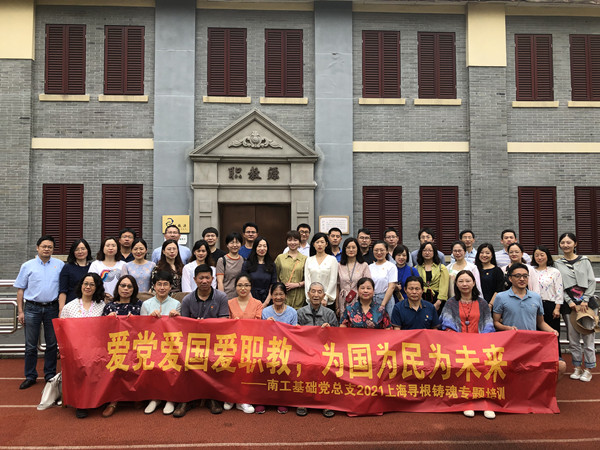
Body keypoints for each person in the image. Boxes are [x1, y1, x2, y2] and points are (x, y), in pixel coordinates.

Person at [492, 263, 565, 380]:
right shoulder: (501, 297)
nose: (522, 279)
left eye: (525, 276)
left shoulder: (536, 297)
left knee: (560, 366)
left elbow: (540, 323)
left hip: (531, 345)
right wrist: (507, 328)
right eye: (518, 276)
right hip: (510, 346)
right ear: (510, 278)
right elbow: (496, 322)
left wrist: (552, 331)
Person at [440, 270, 495, 420]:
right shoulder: (451, 303)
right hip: (458, 345)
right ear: (456, 284)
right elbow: (447, 323)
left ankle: (486, 403)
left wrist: (482, 341)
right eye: (461, 281)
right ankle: (467, 402)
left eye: (468, 281)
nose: (464, 284)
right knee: (463, 372)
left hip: (480, 344)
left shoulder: (482, 303)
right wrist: (457, 339)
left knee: (484, 371)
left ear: (474, 283)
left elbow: (488, 323)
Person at [175, 264, 229, 417]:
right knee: (184, 361)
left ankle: (212, 398)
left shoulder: (221, 297)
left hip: (214, 342)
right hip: (193, 342)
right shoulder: (187, 300)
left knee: (215, 361)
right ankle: (185, 400)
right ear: (195, 280)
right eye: (201, 278)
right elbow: (184, 325)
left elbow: (224, 322)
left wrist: (204, 325)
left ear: (212, 279)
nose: (204, 281)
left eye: (207, 278)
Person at [15, 236, 64, 390]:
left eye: (50, 247)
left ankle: (49, 375)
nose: (46, 249)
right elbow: (20, 289)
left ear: (53, 249)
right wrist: (20, 311)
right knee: (30, 345)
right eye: (44, 246)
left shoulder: (60, 265)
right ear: (37, 248)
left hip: (52, 308)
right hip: (32, 308)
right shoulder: (27, 266)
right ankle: (30, 376)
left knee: (52, 344)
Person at [60, 273, 105, 419]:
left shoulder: (102, 306)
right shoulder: (69, 307)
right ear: (81, 285)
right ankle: (81, 404)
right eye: (86, 283)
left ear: (97, 287)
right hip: (76, 349)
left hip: (96, 348)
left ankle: (96, 399)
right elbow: (63, 330)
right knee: (81, 367)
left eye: (92, 284)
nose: (88, 287)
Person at [554, 233, 597, 382]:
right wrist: (568, 301)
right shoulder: (558, 264)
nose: (566, 245)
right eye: (563, 242)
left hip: (587, 305)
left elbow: (591, 281)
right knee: (573, 339)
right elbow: (559, 285)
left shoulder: (584, 260)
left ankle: (588, 369)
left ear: (575, 244)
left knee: (588, 337)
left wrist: (585, 299)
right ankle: (577, 367)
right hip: (569, 306)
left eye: (569, 242)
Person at [100, 275, 143, 418]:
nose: (126, 289)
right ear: (117, 287)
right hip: (115, 346)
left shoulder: (140, 305)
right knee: (116, 361)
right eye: (123, 285)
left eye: (129, 286)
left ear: (134, 289)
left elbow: (147, 328)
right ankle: (113, 401)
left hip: (136, 346)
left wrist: (136, 321)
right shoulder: (109, 306)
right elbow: (101, 331)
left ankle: (136, 396)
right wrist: (108, 320)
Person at [141, 271, 181, 416]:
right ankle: (155, 398)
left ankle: (170, 398)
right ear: (154, 286)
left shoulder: (176, 304)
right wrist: (150, 319)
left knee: (172, 363)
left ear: (170, 287)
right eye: (159, 284)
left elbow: (180, 328)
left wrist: (176, 318)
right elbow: (141, 328)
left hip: (170, 344)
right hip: (151, 343)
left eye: (165, 284)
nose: (162, 287)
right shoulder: (146, 304)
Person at [296, 282, 338, 418]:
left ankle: (325, 403)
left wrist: (330, 330)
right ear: (308, 294)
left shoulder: (330, 314)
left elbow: (337, 337)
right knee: (303, 366)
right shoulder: (300, 313)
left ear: (324, 295)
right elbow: (296, 336)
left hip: (324, 352)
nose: (316, 294)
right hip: (305, 351)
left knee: (326, 366)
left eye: (319, 292)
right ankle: (303, 401)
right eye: (313, 291)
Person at [223, 274, 261, 414]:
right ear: (235, 287)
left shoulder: (257, 303)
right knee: (231, 367)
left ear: (251, 287)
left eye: (246, 285)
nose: (243, 288)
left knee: (247, 368)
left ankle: (243, 399)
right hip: (233, 344)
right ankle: (231, 397)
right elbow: (225, 324)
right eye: (239, 285)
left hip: (251, 343)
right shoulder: (229, 303)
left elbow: (258, 324)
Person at [530, 245, 563, 356]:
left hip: (550, 306)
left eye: (542, 255)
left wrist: (557, 308)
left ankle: (556, 358)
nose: (539, 257)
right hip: (533, 305)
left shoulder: (555, 272)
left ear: (547, 256)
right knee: (536, 334)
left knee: (552, 333)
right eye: (536, 255)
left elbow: (559, 290)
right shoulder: (531, 271)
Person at [337, 237, 371, 317]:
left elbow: (368, 284)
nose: (351, 250)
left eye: (353, 247)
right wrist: (337, 306)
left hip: (359, 299)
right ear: (344, 249)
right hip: (343, 300)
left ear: (357, 249)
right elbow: (337, 286)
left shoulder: (364, 265)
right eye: (348, 247)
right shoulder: (339, 265)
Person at [304, 232, 338, 310]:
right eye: (317, 242)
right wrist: (310, 297)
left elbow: (333, 280)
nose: (319, 244)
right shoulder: (309, 260)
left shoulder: (332, 260)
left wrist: (325, 297)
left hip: (327, 301)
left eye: (322, 242)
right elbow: (307, 280)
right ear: (313, 244)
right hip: (312, 300)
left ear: (326, 244)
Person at [58, 238, 92, 316]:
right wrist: (61, 310)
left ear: (88, 250)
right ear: (73, 252)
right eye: (77, 250)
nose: (80, 252)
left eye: (83, 249)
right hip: (72, 306)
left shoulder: (93, 266)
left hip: (90, 306)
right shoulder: (67, 268)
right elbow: (63, 291)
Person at [275, 230, 307, 310]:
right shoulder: (280, 258)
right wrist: (280, 287)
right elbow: (275, 276)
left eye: (295, 240)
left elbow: (308, 279)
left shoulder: (305, 259)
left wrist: (296, 284)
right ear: (286, 242)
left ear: (299, 242)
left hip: (299, 296)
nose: (292, 243)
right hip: (283, 295)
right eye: (290, 240)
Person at [242, 237, 277, 306]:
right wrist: (253, 301)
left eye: (264, 246)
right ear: (255, 247)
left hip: (267, 299)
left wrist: (266, 303)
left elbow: (273, 285)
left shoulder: (271, 265)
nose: (262, 248)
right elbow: (244, 283)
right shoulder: (247, 264)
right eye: (259, 246)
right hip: (250, 298)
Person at [89, 237, 126, 301]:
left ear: (118, 248)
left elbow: (126, 283)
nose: (110, 248)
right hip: (99, 300)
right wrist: (103, 295)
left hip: (119, 300)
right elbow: (91, 282)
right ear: (102, 248)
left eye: (113, 246)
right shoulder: (95, 264)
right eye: (107, 245)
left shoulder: (123, 265)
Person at [415, 242, 449, 311]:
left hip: (437, 299)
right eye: (424, 250)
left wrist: (438, 302)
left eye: (430, 250)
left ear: (434, 252)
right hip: (420, 299)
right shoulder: (416, 268)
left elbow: (444, 287)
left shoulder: (441, 268)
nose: (427, 253)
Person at [369, 240, 397, 318]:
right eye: (376, 250)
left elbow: (391, 287)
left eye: (381, 250)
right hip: (372, 299)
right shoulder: (370, 267)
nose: (379, 253)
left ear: (387, 251)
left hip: (386, 299)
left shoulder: (391, 266)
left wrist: (383, 304)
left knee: (388, 322)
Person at [474, 243, 505, 308]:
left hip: (492, 305)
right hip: (475, 304)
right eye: (481, 252)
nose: (484, 255)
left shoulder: (497, 270)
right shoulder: (474, 269)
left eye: (487, 253)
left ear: (492, 255)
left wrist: (490, 304)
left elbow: (499, 289)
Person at [216, 232, 245, 299]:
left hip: (241, 297)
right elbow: (220, 282)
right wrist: (222, 298)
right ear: (227, 245)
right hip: (227, 297)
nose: (234, 245)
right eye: (232, 242)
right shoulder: (222, 260)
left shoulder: (243, 260)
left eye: (237, 242)